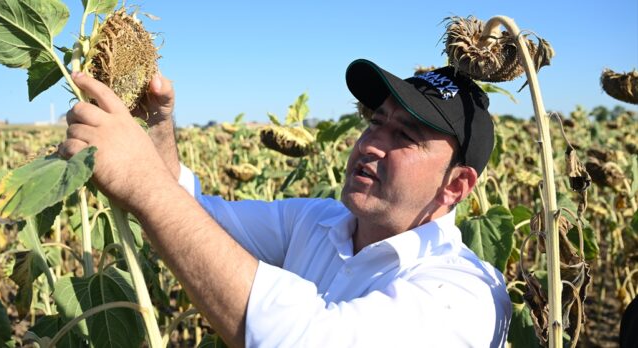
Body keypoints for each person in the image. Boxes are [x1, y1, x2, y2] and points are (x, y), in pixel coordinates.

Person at [59, 58, 512, 347]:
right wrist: (157, 126)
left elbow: (303, 338)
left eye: (405, 137)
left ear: (456, 186)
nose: (372, 143)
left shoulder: (466, 295)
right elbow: (198, 214)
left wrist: (142, 183)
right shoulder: (318, 221)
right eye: (376, 122)